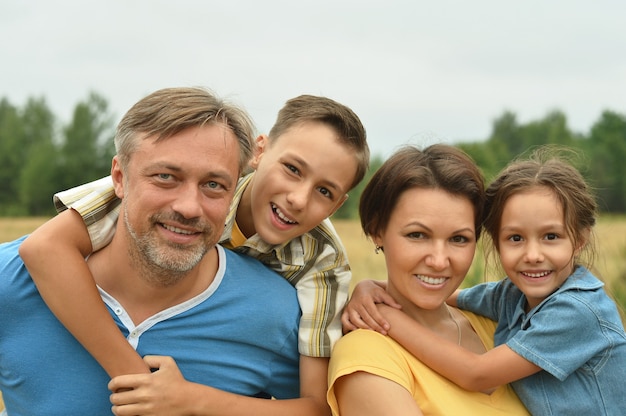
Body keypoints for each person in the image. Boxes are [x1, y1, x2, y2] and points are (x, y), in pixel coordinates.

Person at [19, 94, 369, 415]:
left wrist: (192, 400)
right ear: (259, 152)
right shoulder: (189, 179)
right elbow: (44, 247)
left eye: (324, 191)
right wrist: (136, 379)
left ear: (338, 204)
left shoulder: (323, 262)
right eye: (292, 169)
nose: (299, 198)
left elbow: (318, 407)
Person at [348, 147, 626, 415]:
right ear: (497, 242)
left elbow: (476, 373)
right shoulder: (511, 297)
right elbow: (448, 292)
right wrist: (369, 287)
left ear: (579, 240)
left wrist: (386, 316)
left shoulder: (577, 311)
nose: (532, 255)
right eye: (515, 238)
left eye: (551, 236)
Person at [327, 144, 530, 415]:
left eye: (459, 239)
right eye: (417, 235)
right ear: (377, 230)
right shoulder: (366, 354)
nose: (438, 261)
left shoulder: (500, 324)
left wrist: (369, 286)